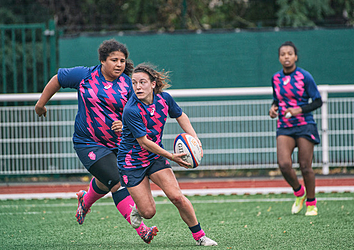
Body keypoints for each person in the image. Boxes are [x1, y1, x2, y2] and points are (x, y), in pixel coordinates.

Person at [35, 39, 158, 243]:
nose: (119, 64)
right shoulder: (84, 76)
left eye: (122, 60)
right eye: (114, 60)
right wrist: (40, 104)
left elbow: (138, 113)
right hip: (88, 142)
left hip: (119, 143)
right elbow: (58, 79)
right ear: (102, 60)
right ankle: (142, 230)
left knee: (106, 179)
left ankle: (85, 200)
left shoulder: (128, 84)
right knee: (117, 181)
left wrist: (123, 123)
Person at [117, 63, 218, 246]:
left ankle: (200, 237)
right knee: (148, 212)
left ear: (153, 84)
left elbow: (181, 116)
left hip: (154, 158)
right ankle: (137, 209)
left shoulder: (164, 99)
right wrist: (171, 156)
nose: (138, 87)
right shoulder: (131, 110)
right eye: (134, 83)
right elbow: (144, 142)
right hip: (131, 163)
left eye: (142, 82)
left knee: (177, 196)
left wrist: (195, 140)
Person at [269, 41, 322, 216]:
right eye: (283, 54)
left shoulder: (305, 76)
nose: (286, 57)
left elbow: (317, 101)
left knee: (305, 166)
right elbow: (277, 99)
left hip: (305, 125)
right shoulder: (276, 78)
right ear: (279, 58)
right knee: (284, 165)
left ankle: (311, 204)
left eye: (289, 54)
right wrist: (273, 108)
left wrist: (300, 109)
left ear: (295, 57)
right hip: (284, 126)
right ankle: (299, 193)